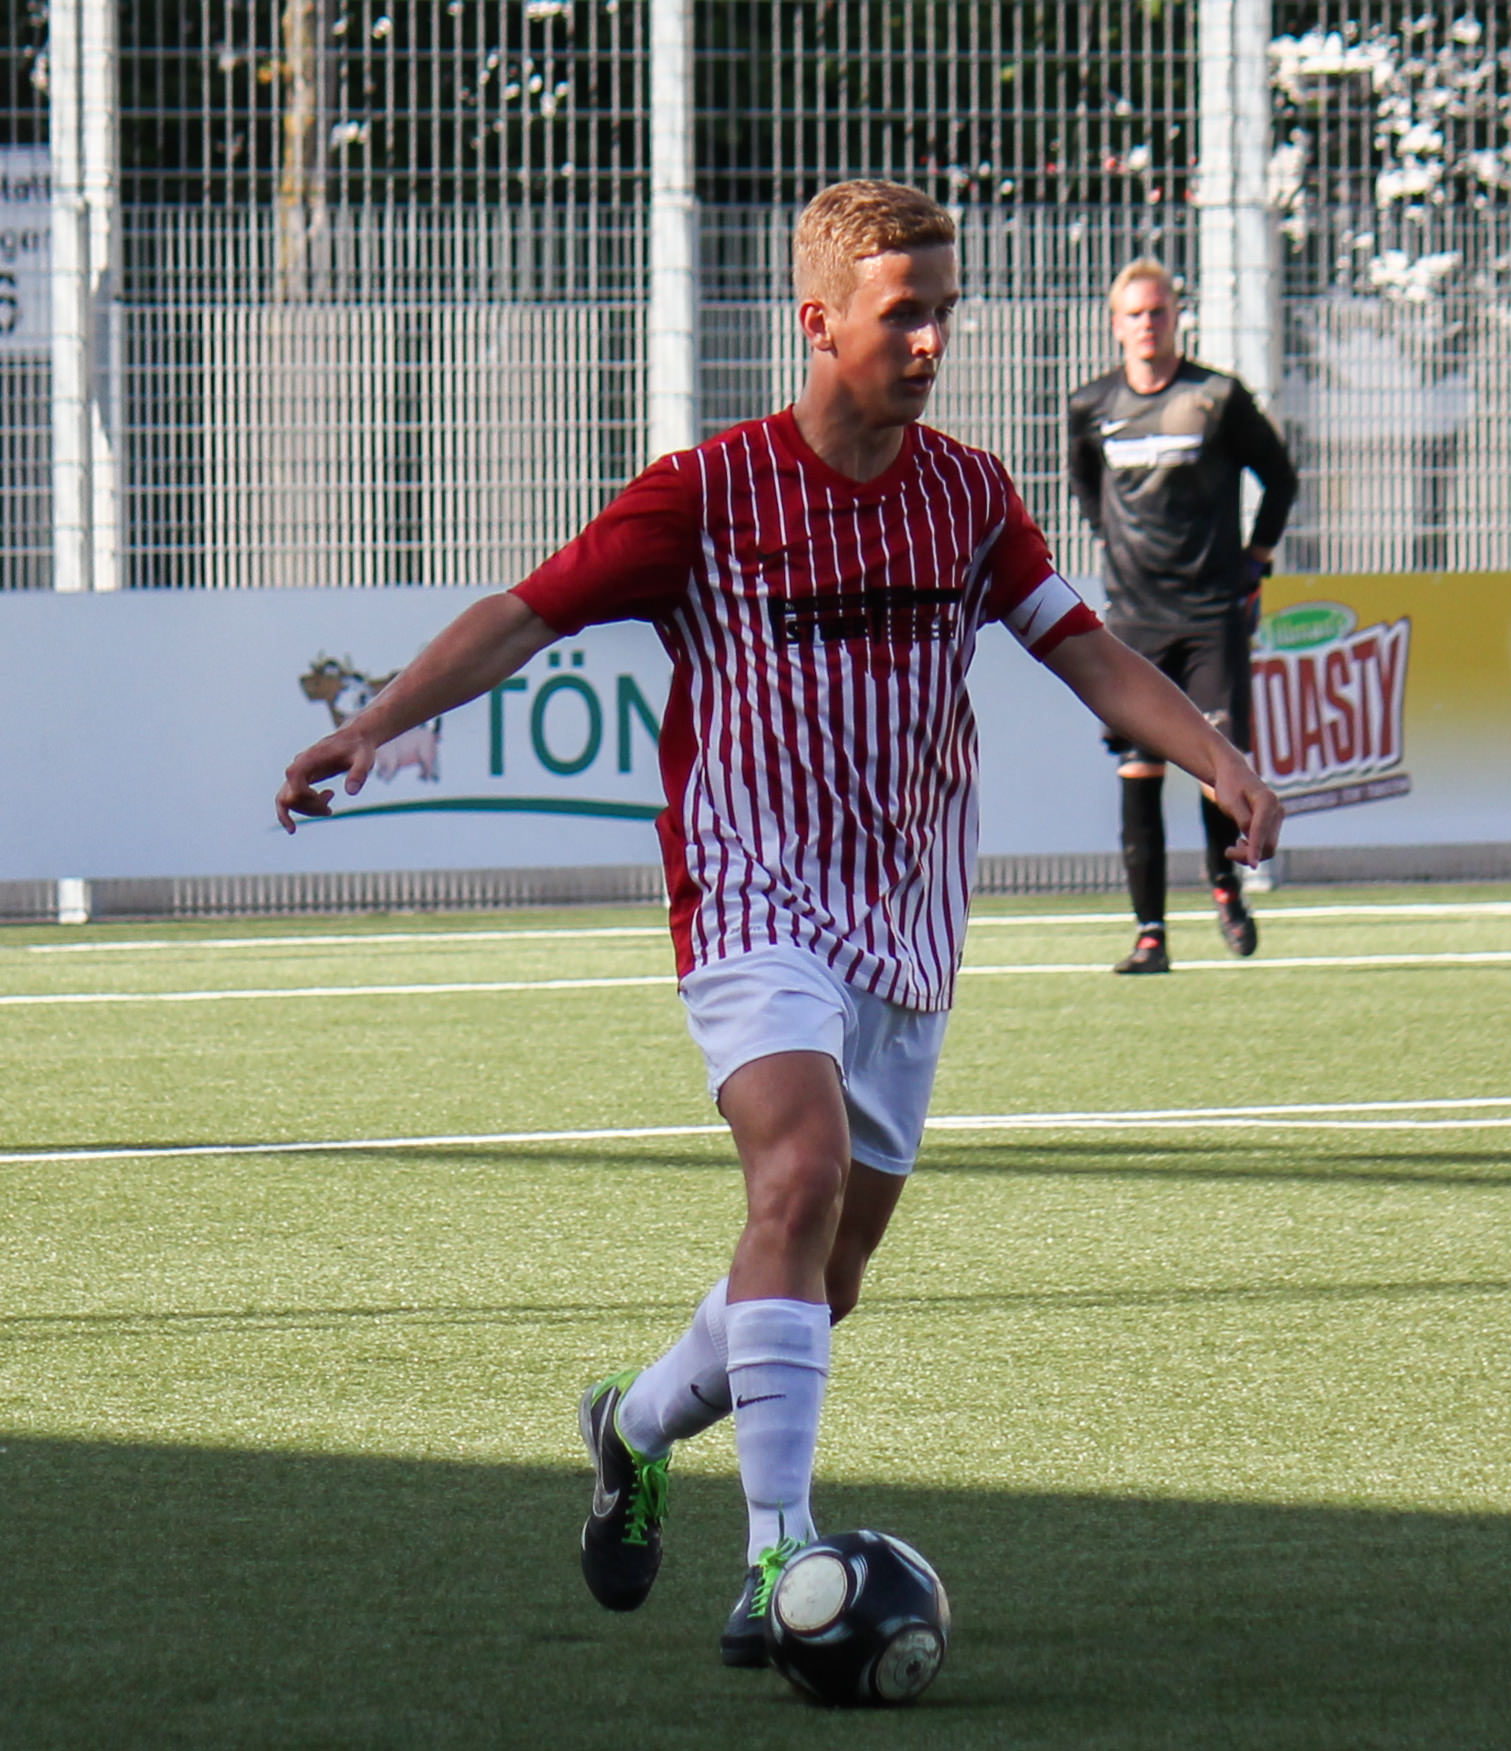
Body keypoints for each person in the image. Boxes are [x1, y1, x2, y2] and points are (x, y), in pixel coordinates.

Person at [272, 180, 1282, 1667]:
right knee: (795, 1173)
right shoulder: (708, 491)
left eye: (945, 312)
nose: (932, 340)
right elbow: (525, 613)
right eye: (903, 313)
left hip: (908, 916)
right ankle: (779, 1556)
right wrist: (375, 719)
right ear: (817, 320)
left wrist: (1214, 754)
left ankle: (632, 1421)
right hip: (752, 897)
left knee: (823, 1273)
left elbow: (1081, 648)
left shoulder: (967, 494)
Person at [1066, 258, 1298, 974]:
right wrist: (1116, 552)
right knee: (1137, 767)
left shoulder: (1216, 397)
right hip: (1135, 618)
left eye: (1158, 311)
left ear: (1175, 317)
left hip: (1210, 613)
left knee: (1210, 758)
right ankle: (1149, 935)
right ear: (1116, 325)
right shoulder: (1091, 405)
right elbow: (1088, 490)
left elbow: (1280, 477)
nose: (1147, 325)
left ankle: (1225, 884)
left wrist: (1255, 560)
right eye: (1134, 314)